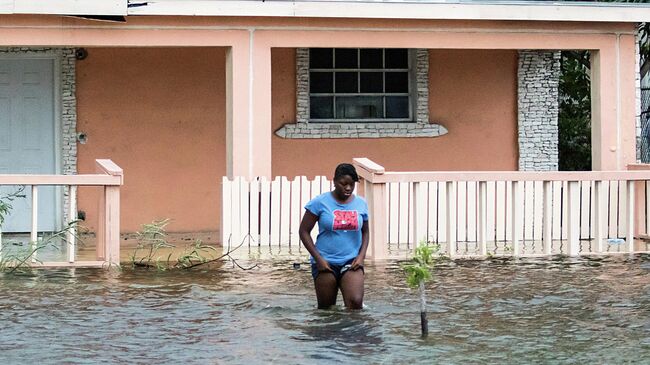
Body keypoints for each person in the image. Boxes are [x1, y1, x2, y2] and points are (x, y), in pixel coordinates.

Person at [299, 163, 370, 310]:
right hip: (325, 262)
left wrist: (361, 256)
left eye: (352, 184)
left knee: (356, 303)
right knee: (327, 310)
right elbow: (304, 231)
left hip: (352, 261)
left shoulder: (361, 204)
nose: (348, 188)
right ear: (334, 181)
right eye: (343, 184)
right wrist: (318, 259)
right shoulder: (319, 202)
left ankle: (353, 333)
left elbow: (365, 231)